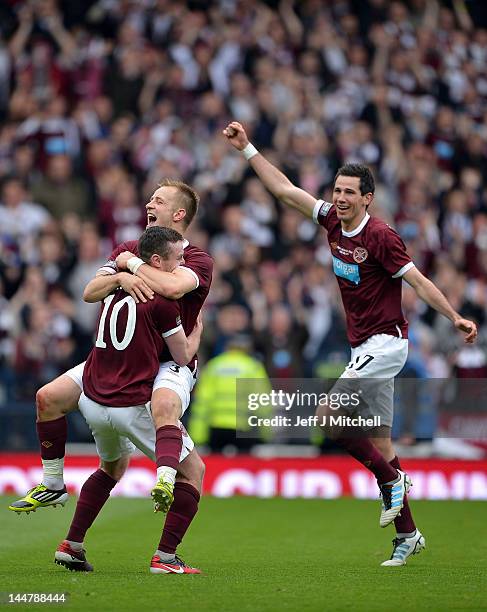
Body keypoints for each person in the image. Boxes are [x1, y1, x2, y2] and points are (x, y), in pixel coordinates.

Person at [223, 121, 478, 567]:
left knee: (329, 417)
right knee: (380, 442)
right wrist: (247, 149)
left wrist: (454, 316)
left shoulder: (380, 236)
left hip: (388, 344)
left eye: (348, 192)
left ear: (367, 198)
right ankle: (408, 534)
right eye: (336, 190)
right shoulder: (331, 223)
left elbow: (416, 280)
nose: (338, 198)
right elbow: (285, 191)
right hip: (364, 347)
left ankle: (392, 484)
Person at [9, 178, 213, 516]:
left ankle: (164, 495)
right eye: (150, 199)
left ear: (178, 214)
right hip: (119, 356)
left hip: (169, 360)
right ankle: (53, 483)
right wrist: (118, 278)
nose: (149, 205)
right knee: (47, 398)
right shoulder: (128, 245)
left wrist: (132, 266)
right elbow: (90, 292)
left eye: (158, 201)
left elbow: (173, 288)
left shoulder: (196, 259)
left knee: (166, 412)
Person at [54, 226, 203, 574]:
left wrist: (122, 270)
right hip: (128, 404)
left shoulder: (114, 286)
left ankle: (71, 545)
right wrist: (197, 335)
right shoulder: (163, 302)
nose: (182, 264)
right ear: (155, 261)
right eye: (176, 259)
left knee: (111, 468)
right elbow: (181, 357)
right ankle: (165, 558)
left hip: (92, 399)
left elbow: (90, 291)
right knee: (193, 470)